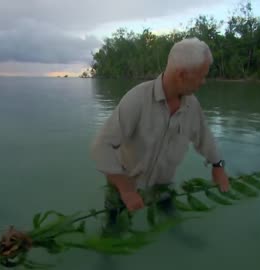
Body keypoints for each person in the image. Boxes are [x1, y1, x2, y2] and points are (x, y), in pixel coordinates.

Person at [90, 37, 230, 226]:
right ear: (181, 75)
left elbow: (206, 139)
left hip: (163, 186)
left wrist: (218, 166)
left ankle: (177, 239)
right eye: (201, 75)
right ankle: (108, 246)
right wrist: (125, 188)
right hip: (124, 183)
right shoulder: (137, 99)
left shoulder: (192, 105)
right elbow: (101, 147)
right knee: (113, 226)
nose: (204, 82)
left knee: (172, 221)